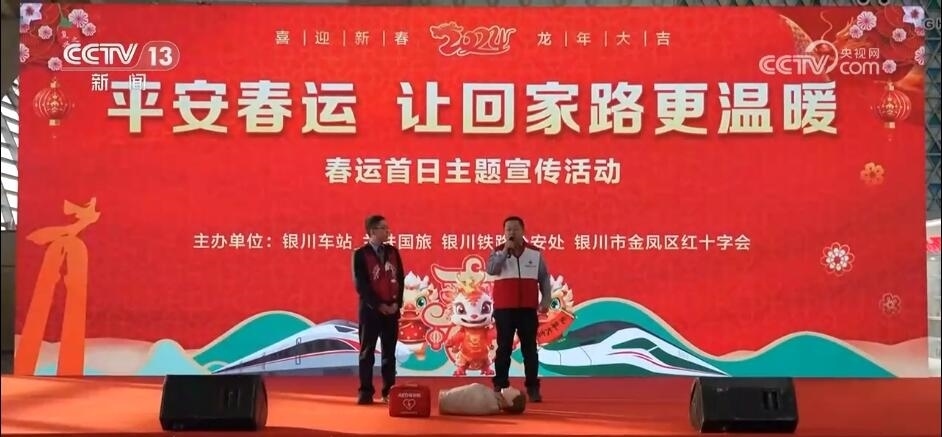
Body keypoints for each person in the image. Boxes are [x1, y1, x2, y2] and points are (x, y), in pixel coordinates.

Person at [485, 216, 552, 402]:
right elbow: (491, 270)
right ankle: (500, 385)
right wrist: (504, 252)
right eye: (508, 229)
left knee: (530, 350)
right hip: (504, 309)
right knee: (504, 348)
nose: (511, 232)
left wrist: (546, 299)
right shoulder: (497, 251)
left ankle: (532, 387)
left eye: (515, 229)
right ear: (504, 233)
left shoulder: (534, 253)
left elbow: (544, 278)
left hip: (527, 309)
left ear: (523, 231)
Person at [352, 215, 404, 405]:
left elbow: (401, 278)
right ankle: (365, 391)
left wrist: (396, 303)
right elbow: (361, 285)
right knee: (367, 352)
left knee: (389, 353)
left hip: (391, 309)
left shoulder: (393, 252)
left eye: (388, 228)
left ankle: (389, 391)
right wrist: (378, 305)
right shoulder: (360, 254)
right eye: (384, 228)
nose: (388, 231)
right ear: (372, 231)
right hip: (370, 311)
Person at [439, 383, 527, 416]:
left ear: (510, 403)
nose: (510, 387)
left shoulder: (488, 401)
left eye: (514, 390)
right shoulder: (492, 402)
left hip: (444, 399)